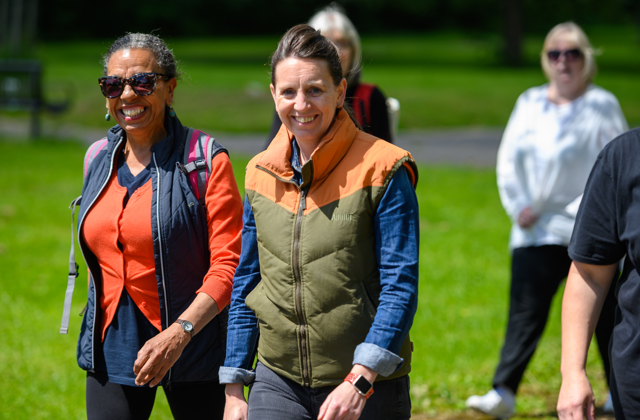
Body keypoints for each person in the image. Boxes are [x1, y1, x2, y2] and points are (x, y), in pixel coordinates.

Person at [220, 24, 419, 420]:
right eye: (289, 92)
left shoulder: (384, 167)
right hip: (277, 380)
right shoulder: (259, 172)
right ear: (274, 94)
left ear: (340, 92)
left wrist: (361, 378)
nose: (301, 104)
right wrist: (234, 385)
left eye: (315, 90)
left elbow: (400, 285)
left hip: (367, 383)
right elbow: (247, 280)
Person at [71, 33, 243, 419]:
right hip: (112, 343)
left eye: (143, 82)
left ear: (170, 89)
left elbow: (229, 266)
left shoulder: (205, 160)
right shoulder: (97, 157)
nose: (128, 95)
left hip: (194, 343)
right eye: (114, 84)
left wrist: (179, 333)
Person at [465, 22, 627, 419]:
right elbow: (507, 161)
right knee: (525, 312)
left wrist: (588, 214)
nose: (563, 61)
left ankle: (619, 394)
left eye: (572, 53)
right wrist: (516, 203)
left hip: (589, 232)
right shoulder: (529, 102)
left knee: (607, 318)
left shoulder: (602, 104)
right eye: (555, 53)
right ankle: (503, 391)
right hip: (534, 229)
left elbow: (617, 169)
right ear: (545, 60)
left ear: (586, 58)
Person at [267, 3, 393, 145]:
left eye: (342, 43)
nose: (336, 51)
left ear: (340, 92)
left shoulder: (370, 97)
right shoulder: (292, 102)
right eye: (325, 44)